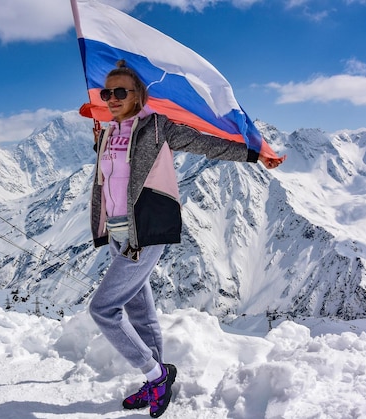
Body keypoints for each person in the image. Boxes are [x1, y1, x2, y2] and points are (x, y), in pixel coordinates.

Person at [88, 60, 285, 418]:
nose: (111, 98)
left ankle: (155, 373)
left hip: (142, 234)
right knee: (139, 311)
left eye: (120, 92)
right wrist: (100, 142)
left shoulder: (158, 127)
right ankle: (157, 383)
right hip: (118, 234)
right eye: (106, 92)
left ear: (138, 95)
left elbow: (206, 144)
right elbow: (115, 175)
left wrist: (254, 153)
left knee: (103, 310)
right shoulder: (107, 131)